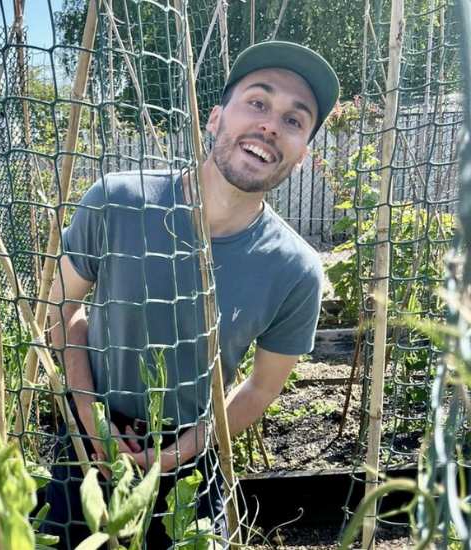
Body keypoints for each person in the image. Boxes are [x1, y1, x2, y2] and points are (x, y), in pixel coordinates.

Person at [42, 41, 340, 548]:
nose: (271, 125)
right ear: (215, 118)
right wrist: (90, 416)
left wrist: (185, 450)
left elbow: (262, 389)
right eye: (258, 102)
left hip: (191, 462)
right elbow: (59, 307)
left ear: (303, 153)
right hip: (87, 438)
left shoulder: (297, 270)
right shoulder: (119, 200)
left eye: (295, 120)